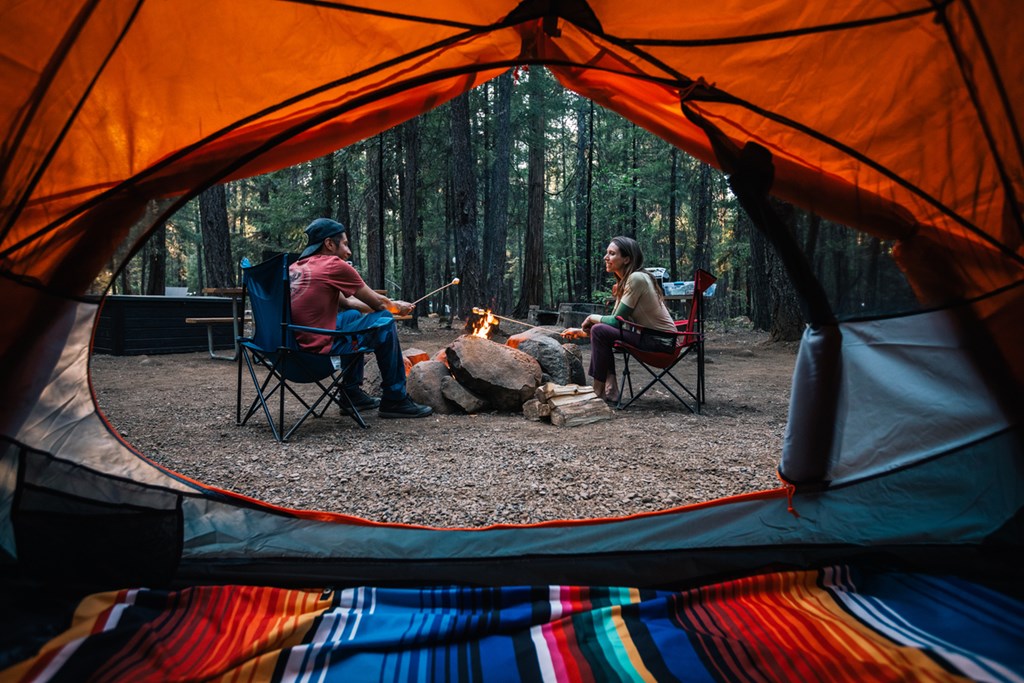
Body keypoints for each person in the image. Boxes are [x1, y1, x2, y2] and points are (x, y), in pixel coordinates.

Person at [289, 218, 432, 419]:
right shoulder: (332, 264)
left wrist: (392, 304)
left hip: (290, 349)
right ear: (329, 244)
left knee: (351, 317)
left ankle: (351, 393)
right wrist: (395, 308)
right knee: (384, 320)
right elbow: (380, 306)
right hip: (315, 350)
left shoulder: (297, 267)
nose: (348, 251)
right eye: (345, 244)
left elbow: (349, 303)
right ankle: (395, 398)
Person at [572, 236, 677, 403]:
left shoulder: (637, 279)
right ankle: (610, 388)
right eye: (607, 253)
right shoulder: (626, 282)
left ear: (627, 259)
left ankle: (597, 392)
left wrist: (591, 318)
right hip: (655, 338)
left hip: (661, 342)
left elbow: (615, 322)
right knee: (600, 331)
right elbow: (616, 326)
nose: (606, 257)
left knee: (599, 330)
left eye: (612, 254)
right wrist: (580, 332)